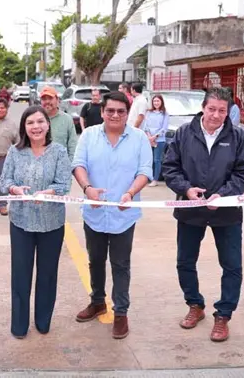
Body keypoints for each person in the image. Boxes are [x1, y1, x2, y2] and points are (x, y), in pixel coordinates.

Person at [162, 87, 244, 343]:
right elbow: (170, 168)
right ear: (203, 107)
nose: (216, 115)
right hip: (190, 211)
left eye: (222, 111)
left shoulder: (238, 136)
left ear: (229, 112)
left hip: (226, 212)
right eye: (211, 109)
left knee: (232, 265)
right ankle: (195, 305)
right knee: (185, 262)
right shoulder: (183, 133)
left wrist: (223, 195)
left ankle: (223, 315)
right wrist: (186, 189)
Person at [72, 91, 152, 340]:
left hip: (123, 214)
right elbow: (78, 164)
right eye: (110, 111)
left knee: (120, 264)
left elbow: (145, 172)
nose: (115, 115)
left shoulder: (139, 139)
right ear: (102, 111)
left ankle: (121, 312)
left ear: (127, 114)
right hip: (94, 212)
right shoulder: (88, 135)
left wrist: (130, 193)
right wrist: (88, 189)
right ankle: (97, 302)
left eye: (121, 111)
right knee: (95, 261)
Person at [0, 105, 71, 339]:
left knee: (47, 274)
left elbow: (64, 185)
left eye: (40, 121)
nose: (36, 127)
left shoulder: (59, 152)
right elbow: (4, 181)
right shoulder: (15, 152)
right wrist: (14, 189)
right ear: (24, 127)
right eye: (30, 123)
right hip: (21, 221)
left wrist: (48, 193)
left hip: (52, 223)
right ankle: (19, 325)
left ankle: (43, 321)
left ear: (48, 125)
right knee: (20, 274)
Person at [40, 86, 77, 160]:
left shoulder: (67, 119)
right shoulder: (36, 119)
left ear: (57, 100)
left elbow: (73, 146)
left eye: (50, 98)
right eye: (44, 99)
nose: (47, 101)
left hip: (61, 166)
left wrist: (69, 166)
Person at [143, 94, 169, 187]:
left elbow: (164, 128)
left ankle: (155, 179)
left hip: (159, 140)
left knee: (156, 160)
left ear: (161, 102)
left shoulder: (165, 114)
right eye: (154, 101)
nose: (156, 103)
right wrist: (149, 137)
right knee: (148, 159)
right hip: (148, 139)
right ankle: (147, 177)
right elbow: (145, 126)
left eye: (158, 101)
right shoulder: (149, 113)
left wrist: (155, 137)